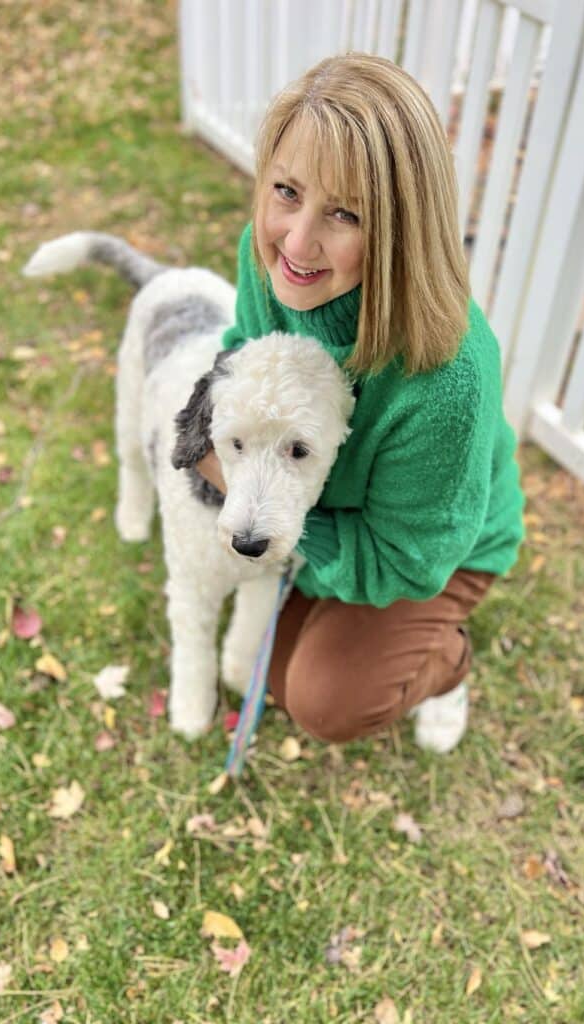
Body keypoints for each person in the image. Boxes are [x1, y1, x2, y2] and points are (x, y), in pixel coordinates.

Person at [196, 53, 524, 753]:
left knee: (325, 700)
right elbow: (241, 359)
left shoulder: (445, 374)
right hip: (326, 505)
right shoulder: (266, 255)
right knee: (277, 676)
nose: (299, 241)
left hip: (428, 544)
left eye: (345, 213)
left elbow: (406, 559)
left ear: (401, 228)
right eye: (287, 190)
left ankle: (448, 662)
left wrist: (274, 520)